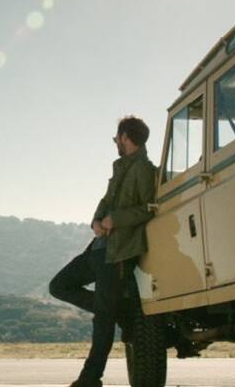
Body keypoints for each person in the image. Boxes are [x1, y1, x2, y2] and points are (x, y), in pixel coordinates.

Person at [49, 116, 157, 387]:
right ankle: (121, 310)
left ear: (125, 137)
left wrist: (115, 219)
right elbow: (106, 200)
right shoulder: (119, 167)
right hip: (98, 249)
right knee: (59, 286)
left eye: (116, 138)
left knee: (103, 320)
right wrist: (96, 220)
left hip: (118, 253)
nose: (115, 143)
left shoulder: (144, 169)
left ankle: (90, 379)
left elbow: (149, 208)